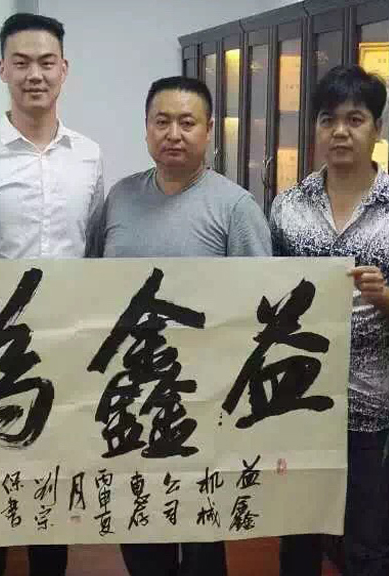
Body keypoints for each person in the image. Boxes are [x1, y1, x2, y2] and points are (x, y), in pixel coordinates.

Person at [90, 76, 272, 576]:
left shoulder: (236, 208)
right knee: (139, 523)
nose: (173, 133)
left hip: (202, 400)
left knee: (199, 535)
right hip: (127, 397)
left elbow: (260, 308)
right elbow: (89, 286)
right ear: (146, 129)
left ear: (209, 130)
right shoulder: (120, 198)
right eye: (162, 121)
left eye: (187, 122)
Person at [0, 12, 104, 576]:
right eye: (22, 62)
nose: (35, 74)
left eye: (46, 62)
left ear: (64, 69)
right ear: (2, 70)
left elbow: (93, 249)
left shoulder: (89, 156)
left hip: (64, 349)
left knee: (52, 489)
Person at [274, 65, 389, 576]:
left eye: (354, 119)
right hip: (294, 400)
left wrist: (384, 295)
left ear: (376, 128)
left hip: (369, 405)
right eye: (328, 120)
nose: (339, 131)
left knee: (369, 542)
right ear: (315, 129)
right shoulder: (286, 207)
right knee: (297, 538)